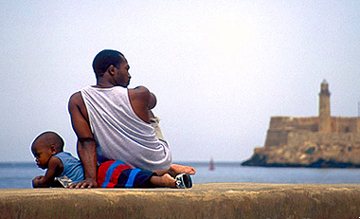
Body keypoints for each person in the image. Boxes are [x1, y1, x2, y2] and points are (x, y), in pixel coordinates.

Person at [68, 49, 195, 188]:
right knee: (147, 111)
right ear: (112, 70)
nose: (129, 75)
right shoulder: (139, 94)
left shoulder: (78, 100)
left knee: (99, 159)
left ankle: (167, 170)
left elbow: (85, 142)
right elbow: (152, 101)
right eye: (126, 69)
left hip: (121, 164)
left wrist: (91, 178)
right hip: (158, 161)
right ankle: (167, 169)